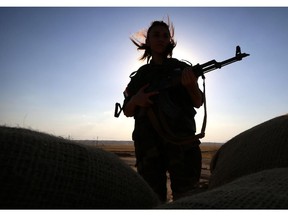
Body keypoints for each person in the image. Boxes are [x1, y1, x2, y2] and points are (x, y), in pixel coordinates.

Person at [122, 19, 203, 202]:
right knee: (152, 199)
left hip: (182, 143)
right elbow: (127, 110)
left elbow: (198, 102)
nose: (161, 38)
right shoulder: (141, 76)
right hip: (149, 147)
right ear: (148, 41)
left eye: (165, 35)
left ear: (170, 41)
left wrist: (191, 86)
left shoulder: (182, 69)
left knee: (187, 199)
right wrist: (136, 99)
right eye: (156, 35)